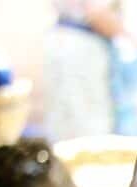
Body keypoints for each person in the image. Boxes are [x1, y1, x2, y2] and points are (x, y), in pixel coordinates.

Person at [43, 0, 127, 141]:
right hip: (81, 48)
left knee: (68, 125)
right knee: (87, 132)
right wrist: (132, 39)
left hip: (70, 41)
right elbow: (97, 14)